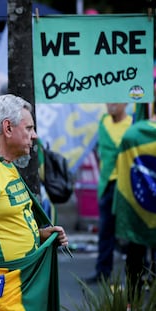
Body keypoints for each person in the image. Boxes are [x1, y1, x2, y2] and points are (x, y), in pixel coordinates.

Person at [0, 94, 68, 310]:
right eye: (28, 128)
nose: (34, 135)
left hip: (19, 286)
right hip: (2, 293)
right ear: (7, 128)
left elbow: (4, 224)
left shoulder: (6, 165)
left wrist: (40, 235)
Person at [84, 103, 132, 284]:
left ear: (125, 102)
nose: (111, 104)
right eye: (108, 100)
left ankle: (138, 274)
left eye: (116, 100)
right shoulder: (103, 122)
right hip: (107, 185)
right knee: (105, 231)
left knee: (132, 232)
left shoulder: (133, 124)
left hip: (126, 185)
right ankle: (102, 272)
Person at [113, 107, 156, 300]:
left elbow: (123, 170)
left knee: (135, 254)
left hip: (137, 208)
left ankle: (133, 302)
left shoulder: (132, 134)